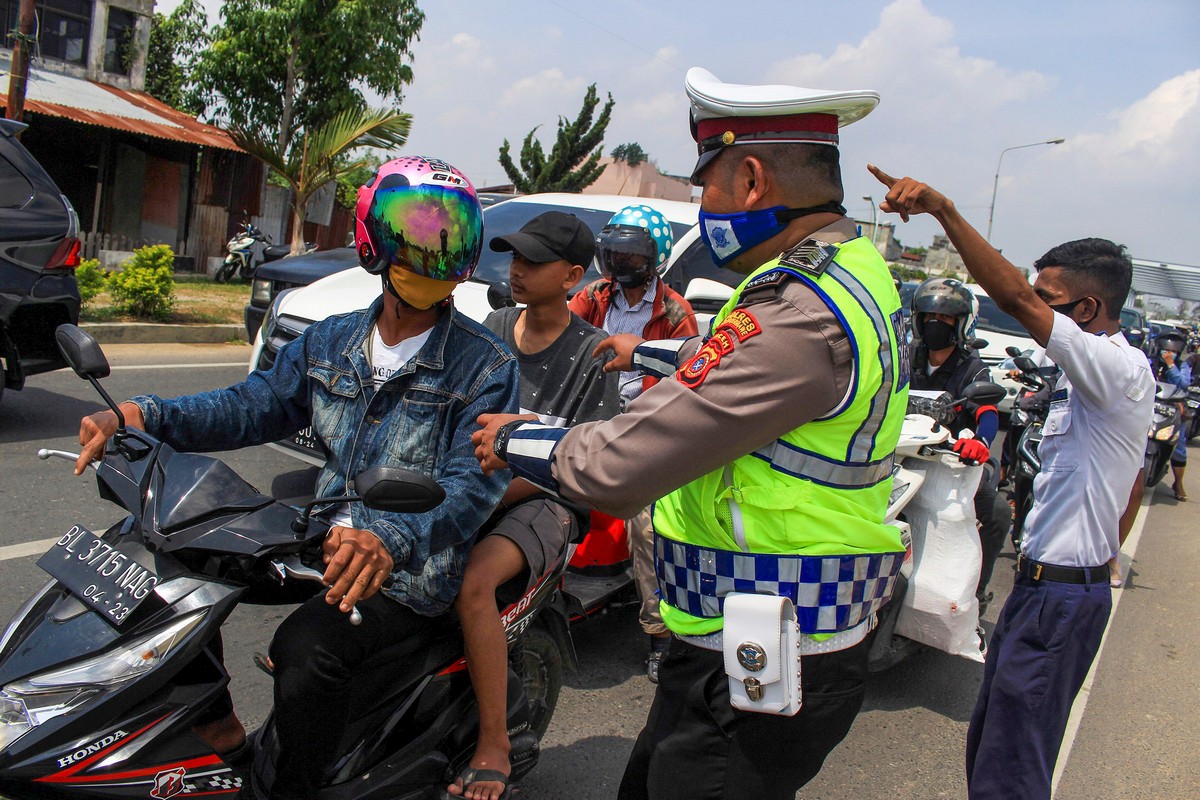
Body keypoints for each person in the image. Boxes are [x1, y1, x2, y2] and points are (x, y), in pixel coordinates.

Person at [474, 68, 909, 800]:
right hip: (749, 634)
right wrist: (646, 351)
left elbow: (621, 467)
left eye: (702, 183)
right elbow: (747, 366)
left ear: (749, 179)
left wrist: (517, 438)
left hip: (767, 651)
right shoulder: (850, 272)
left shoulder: (799, 309)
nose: (700, 204)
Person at [75, 157, 518, 800]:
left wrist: (389, 537)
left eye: (447, 236)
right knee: (159, 569)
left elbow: (469, 489)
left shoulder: (484, 367)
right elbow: (250, 406)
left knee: (307, 650)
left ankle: (290, 789)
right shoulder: (330, 341)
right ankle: (223, 730)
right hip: (318, 533)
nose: (431, 254)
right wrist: (145, 414)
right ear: (373, 236)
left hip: (409, 566)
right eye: (416, 234)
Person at [868, 165, 1155, 800]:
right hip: (1039, 589)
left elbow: (1016, 302)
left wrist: (945, 210)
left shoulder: (1119, 369)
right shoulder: (1087, 380)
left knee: (1011, 770)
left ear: (1087, 309)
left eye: (1047, 300)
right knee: (992, 747)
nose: (1030, 309)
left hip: (1062, 600)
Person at [447, 211, 618, 800]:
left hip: (548, 498)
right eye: (514, 258)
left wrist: (479, 491)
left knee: (473, 583)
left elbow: (588, 459)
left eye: (533, 261)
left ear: (572, 275)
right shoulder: (492, 324)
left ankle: (494, 741)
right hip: (469, 481)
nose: (517, 271)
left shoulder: (593, 353)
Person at [568, 204, 698, 681]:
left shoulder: (674, 312)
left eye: (632, 255)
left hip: (645, 424)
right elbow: (559, 333)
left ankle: (659, 632)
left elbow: (686, 380)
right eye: (614, 253)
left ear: (654, 259)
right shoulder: (594, 297)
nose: (620, 264)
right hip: (585, 412)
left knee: (648, 527)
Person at [907, 277, 1008, 613]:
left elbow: (988, 412)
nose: (937, 324)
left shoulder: (972, 368)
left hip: (949, 467)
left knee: (997, 512)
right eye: (929, 316)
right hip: (896, 459)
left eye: (947, 319)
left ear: (962, 324)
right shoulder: (904, 356)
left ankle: (974, 596)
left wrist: (980, 440)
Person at [1155, 331, 1189, 501]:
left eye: (1174, 350)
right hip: (1150, 403)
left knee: (1179, 445)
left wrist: (1171, 366)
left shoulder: (1181, 366)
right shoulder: (1151, 362)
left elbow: (1183, 384)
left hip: (1172, 406)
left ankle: (1179, 483)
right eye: (1167, 349)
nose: (1169, 352)